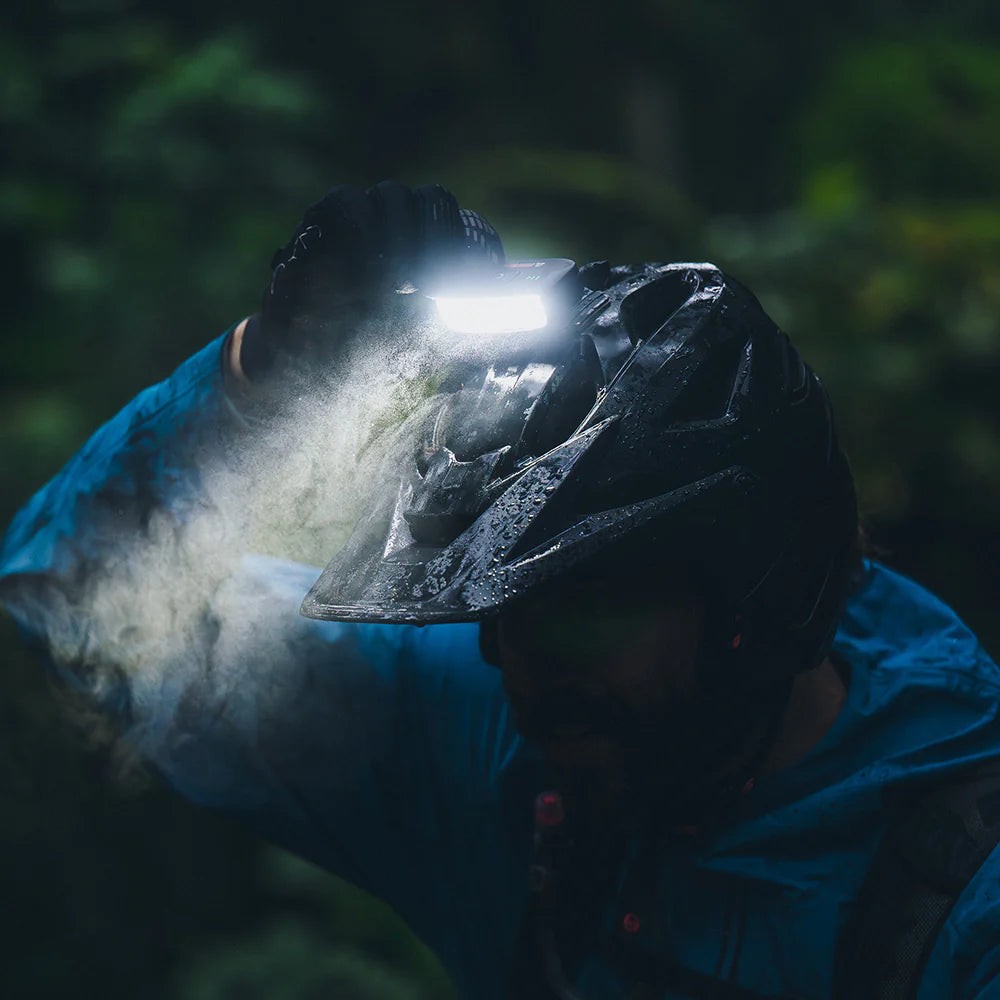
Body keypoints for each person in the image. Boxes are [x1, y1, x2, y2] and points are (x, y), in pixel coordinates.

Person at [3, 180, 1000, 1000]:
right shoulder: (502, 741)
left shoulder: (964, 899)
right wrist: (262, 370)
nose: (514, 664)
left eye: (581, 607)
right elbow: (74, 594)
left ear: (761, 595)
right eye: (490, 607)